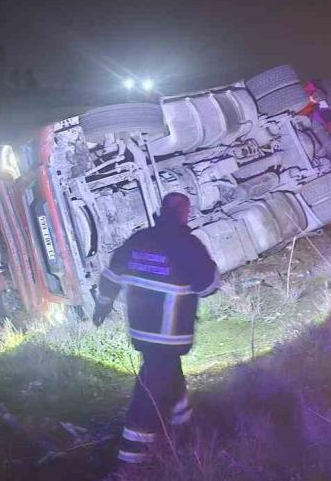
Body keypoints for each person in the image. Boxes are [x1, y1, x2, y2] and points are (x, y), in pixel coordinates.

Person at [92, 192, 220, 465]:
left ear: (161, 211)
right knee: (148, 393)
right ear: (185, 214)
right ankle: (131, 460)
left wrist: (102, 305)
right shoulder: (188, 245)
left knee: (171, 377)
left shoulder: (139, 240)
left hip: (141, 332)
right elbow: (207, 287)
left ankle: (186, 433)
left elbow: (112, 275)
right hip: (169, 334)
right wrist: (211, 266)